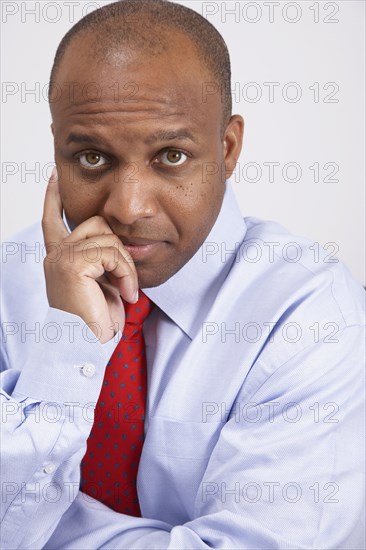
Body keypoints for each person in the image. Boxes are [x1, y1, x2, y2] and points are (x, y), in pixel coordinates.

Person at [1, 0, 364, 548]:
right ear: (57, 148)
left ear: (228, 147)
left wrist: (35, 524)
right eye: (92, 159)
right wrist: (66, 344)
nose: (127, 208)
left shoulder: (311, 311)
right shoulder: (10, 280)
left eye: (171, 155)